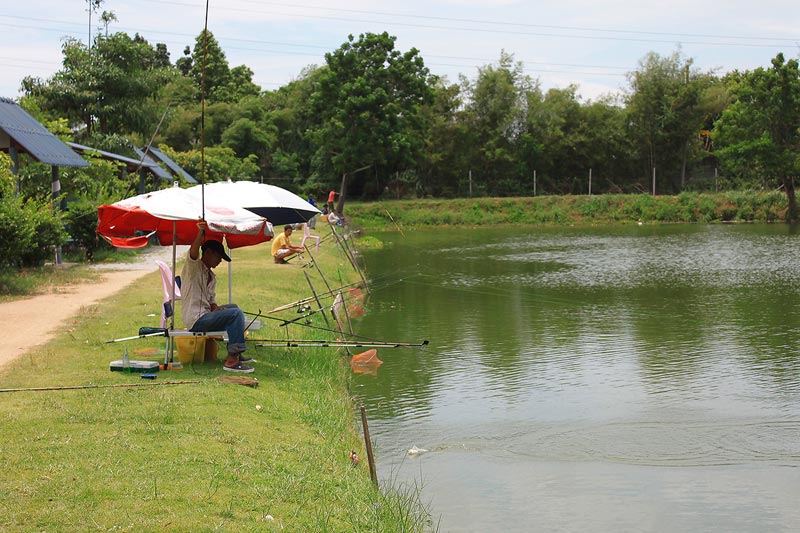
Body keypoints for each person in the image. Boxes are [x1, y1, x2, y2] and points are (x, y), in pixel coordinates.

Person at [181, 220, 254, 373]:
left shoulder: (211, 276)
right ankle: (232, 359)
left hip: (206, 314)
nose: (220, 261)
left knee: (233, 308)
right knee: (235, 314)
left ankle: (237, 354)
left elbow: (210, 299)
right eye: (219, 256)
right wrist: (200, 232)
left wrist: (215, 307)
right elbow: (193, 253)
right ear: (208, 253)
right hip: (196, 319)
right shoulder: (193, 268)